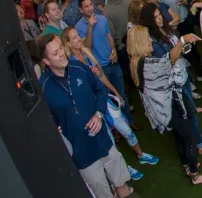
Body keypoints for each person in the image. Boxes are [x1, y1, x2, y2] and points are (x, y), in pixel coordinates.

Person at [36, 34, 134, 198]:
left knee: (122, 187)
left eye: (61, 48)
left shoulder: (79, 67)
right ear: (46, 61)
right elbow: (47, 123)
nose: (61, 54)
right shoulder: (43, 88)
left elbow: (101, 91)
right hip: (81, 153)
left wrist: (98, 114)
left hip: (103, 141)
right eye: (55, 53)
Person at [61, 28, 157, 179]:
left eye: (77, 35)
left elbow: (101, 77)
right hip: (91, 108)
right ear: (67, 43)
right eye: (74, 38)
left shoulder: (86, 53)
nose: (78, 39)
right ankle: (125, 168)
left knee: (125, 129)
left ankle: (141, 154)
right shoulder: (69, 65)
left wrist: (115, 92)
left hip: (104, 99)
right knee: (109, 140)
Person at [128, 26, 202, 185]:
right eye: (146, 38)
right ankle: (195, 175)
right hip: (170, 107)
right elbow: (167, 62)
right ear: (139, 42)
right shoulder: (145, 63)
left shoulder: (137, 62)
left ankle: (187, 166)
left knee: (181, 138)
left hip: (165, 109)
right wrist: (182, 40)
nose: (149, 40)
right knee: (188, 138)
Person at [139, 4, 202, 158]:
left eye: (159, 14)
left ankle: (198, 137)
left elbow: (177, 51)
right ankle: (200, 146)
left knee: (192, 111)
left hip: (182, 74)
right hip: (173, 83)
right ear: (149, 21)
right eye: (155, 17)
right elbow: (168, 59)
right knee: (188, 114)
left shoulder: (165, 29)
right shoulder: (152, 39)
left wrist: (184, 45)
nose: (160, 18)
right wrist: (182, 41)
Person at [73, 0, 134, 126]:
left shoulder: (102, 19)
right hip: (99, 69)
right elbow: (87, 47)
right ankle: (115, 130)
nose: (90, 8)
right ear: (81, 10)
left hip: (112, 62)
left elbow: (110, 38)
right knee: (107, 99)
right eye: (86, 6)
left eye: (91, 5)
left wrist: (113, 51)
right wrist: (89, 27)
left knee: (121, 94)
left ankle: (130, 121)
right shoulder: (78, 28)